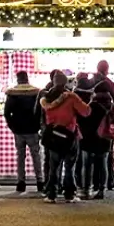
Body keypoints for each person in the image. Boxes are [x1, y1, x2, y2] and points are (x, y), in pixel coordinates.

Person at [40, 69, 90, 203]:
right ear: (64, 83)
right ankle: (69, 195)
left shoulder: (46, 98)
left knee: (54, 167)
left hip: (53, 136)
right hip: (69, 136)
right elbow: (86, 112)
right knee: (69, 167)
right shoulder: (71, 96)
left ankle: (51, 195)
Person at [4, 70, 44, 193]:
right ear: (27, 78)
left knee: (20, 156)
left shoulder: (12, 93)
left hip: (19, 130)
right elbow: (40, 112)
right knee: (36, 156)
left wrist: (12, 126)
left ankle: (21, 182)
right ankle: (40, 181)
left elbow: (6, 113)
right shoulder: (36, 92)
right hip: (32, 129)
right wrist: (38, 126)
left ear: (18, 79)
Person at [76, 82, 114, 200]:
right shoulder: (110, 105)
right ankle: (101, 190)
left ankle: (86, 189)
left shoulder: (92, 105)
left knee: (87, 165)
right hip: (104, 138)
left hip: (89, 138)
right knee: (103, 164)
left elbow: (82, 120)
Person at [92, 60, 114, 190]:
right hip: (105, 121)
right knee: (107, 153)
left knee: (92, 152)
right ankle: (108, 182)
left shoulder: (90, 81)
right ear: (106, 69)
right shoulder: (108, 83)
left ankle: (94, 182)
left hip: (92, 120)